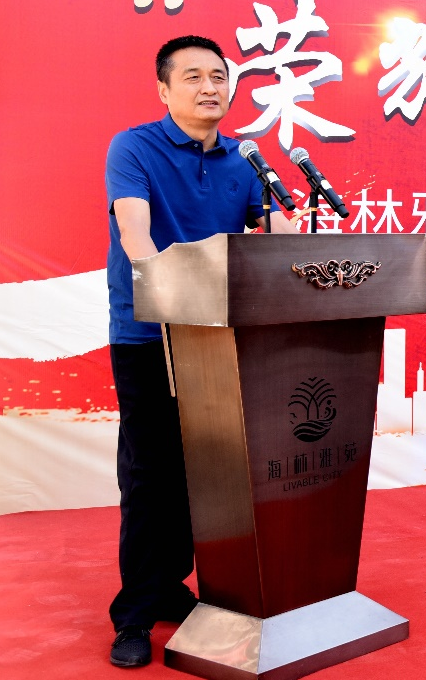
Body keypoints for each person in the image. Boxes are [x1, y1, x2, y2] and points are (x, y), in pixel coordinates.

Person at [104, 36, 297, 667]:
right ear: (164, 89)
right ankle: (135, 614)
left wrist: (294, 237)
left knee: (207, 471)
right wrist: (170, 292)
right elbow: (135, 233)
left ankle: (170, 586)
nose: (210, 87)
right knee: (149, 475)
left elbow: (271, 236)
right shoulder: (134, 147)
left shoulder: (245, 159)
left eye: (219, 76)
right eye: (192, 77)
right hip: (149, 334)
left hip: (218, 336)